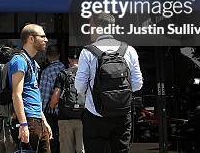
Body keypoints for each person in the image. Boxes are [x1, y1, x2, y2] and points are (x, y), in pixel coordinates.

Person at [75, 13, 143, 153]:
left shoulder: (87, 52)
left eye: (90, 27)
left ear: (96, 27)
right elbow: (137, 85)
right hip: (122, 115)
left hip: (95, 114)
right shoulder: (129, 50)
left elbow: (80, 86)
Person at [10, 24, 52, 153]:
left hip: (37, 120)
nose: (46, 40)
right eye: (42, 36)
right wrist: (23, 125)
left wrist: (43, 120)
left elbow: (33, 93)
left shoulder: (32, 62)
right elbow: (16, 94)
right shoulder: (19, 60)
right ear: (31, 39)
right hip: (28, 120)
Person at [49, 50, 84, 153]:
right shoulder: (86, 74)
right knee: (81, 149)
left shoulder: (63, 74)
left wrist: (51, 106)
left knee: (66, 149)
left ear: (69, 59)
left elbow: (55, 97)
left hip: (65, 118)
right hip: (83, 118)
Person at [39, 45, 65, 153]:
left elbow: (44, 95)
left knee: (52, 141)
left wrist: (40, 112)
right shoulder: (65, 68)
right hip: (65, 111)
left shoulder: (47, 72)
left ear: (47, 56)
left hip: (52, 112)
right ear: (59, 55)